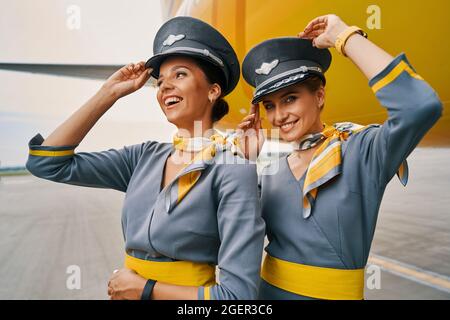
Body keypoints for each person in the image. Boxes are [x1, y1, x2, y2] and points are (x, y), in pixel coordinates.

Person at [26, 16, 265, 300]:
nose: (164, 87)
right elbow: (46, 163)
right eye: (160, 81)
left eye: (180, 75)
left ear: (213, 91)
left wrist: (145, 290)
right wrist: (109, 93)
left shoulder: (232, 169)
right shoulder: (143, 157)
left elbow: (237, 299)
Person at [238, 14, 442, 299]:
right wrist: (244, 162)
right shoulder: (269, 172)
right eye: (269, 106)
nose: (279, 116)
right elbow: (233, 234)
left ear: (319, 96)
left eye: (290, 98)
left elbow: (420, 107)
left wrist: (345, 37)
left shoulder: (361, 152)